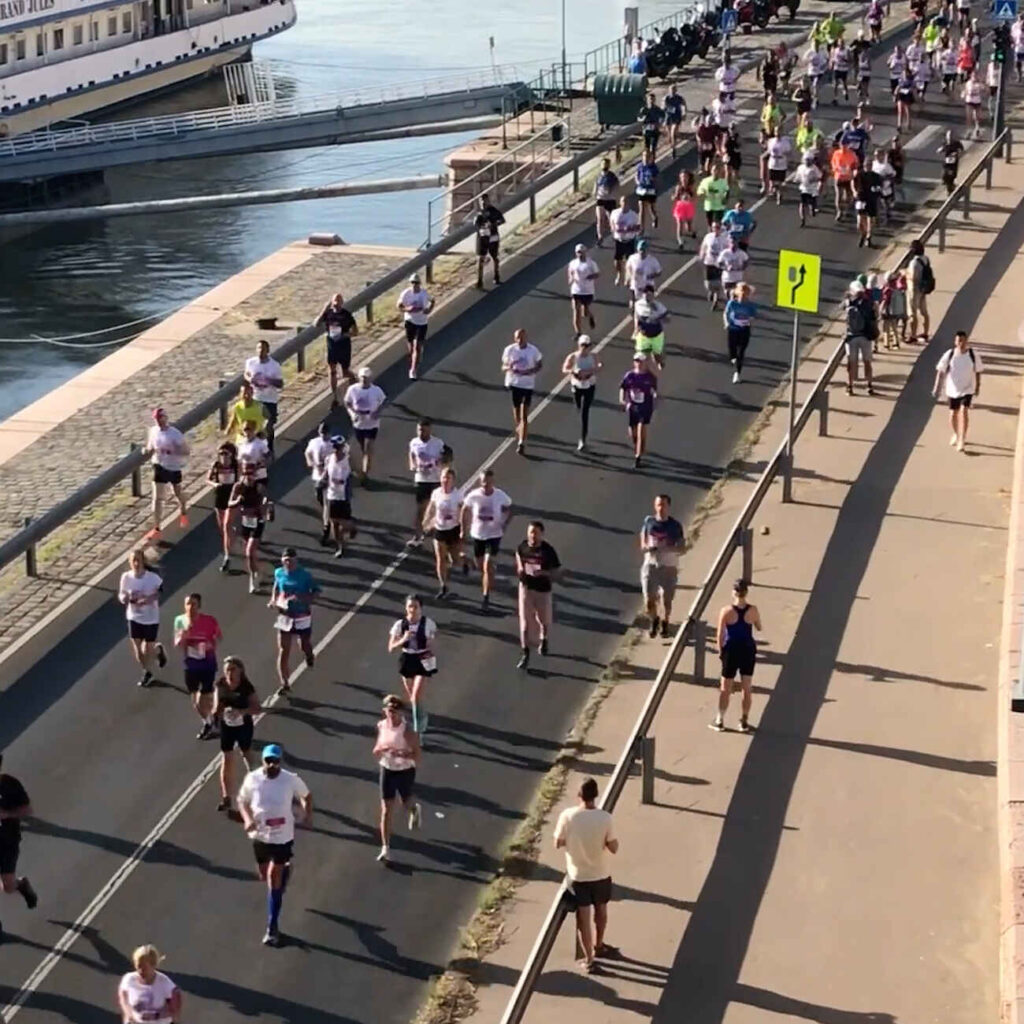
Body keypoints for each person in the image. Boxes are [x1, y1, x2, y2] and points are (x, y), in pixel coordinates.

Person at [237, 744, 312, 947]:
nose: (272, 765)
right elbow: (242, 800)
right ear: (263, 760)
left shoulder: (290, 779)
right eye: (268, 761)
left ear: (280, 761)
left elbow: (306, 795)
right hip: (260, 835)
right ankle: (285, 872)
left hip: (282, 837)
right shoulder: (252, 779)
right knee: (264, 875)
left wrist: (307, 814)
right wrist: (247, 819)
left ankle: (272, 927)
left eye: (275, 761)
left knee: (272, 877)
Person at [553, 778, 618, 974]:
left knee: (584, 918)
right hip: (601, 872)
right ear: (596, 795)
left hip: (578, 875)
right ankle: (599, 945)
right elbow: (614, 847)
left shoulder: (567, 816)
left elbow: (557, 843)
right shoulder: (605, 818)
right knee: (601, 911)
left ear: (579, 795)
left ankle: (589, 959)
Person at [373, 695, 422, 863]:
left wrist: (401, 754)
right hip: (387, 769)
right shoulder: (381, 726)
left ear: (400, 712)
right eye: (389, 711)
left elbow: (417, 756)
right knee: (386, 809)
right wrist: (381, 750)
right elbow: (377, 748)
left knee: (405, 801)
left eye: (394, 711)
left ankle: (414, 809)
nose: (391, 714)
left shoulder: (407, 731)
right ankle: (385, 848)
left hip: (405, 771)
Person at [710, 579, 762, 733]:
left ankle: (720, 720)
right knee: (747, 687)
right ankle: (744, 721)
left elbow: (720, 634)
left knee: (725, 687)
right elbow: (758, 627)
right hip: (747, 649)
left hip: (731, 650)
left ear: (734, 592)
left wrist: (720, 651)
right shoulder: (753, 610)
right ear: (746, 592)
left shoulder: (726, 611)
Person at [213, 656, 260, 812]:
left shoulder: (246, 687)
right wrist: (217, 712)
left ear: (240, 671)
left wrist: (242, 712)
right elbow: (216, 704)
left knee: (246, 753)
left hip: (243, 726)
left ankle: (258, 786)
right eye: (227, 670)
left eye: (233, 669)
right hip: (227, 726)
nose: (229, 673)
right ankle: (226, 797)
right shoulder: (221, 685)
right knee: (227, 758)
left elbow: (257, 708)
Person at [268, 548, 319, 693]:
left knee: (304, 645)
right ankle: (284, 682)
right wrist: (273, 599)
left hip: (302, 615)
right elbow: (277, 585)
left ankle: (309, 655)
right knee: (283, 650)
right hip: (285, 615)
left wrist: (302, 598)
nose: (288, 564)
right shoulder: (279, 573)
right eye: (286, 561)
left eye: (291, 561)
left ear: (296, 560)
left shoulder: (305, 576)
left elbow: (316, 592)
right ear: (282, 561)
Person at [173, 593, 222, 740]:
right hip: (190, 665)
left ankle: (212, 717)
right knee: (195, 701)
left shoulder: (209, 621)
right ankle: (209, 721)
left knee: (203, 696)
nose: (190, 607)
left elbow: (218, 637)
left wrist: (209, 645)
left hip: (207, 663)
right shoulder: (180, 620)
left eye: (193, 604)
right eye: (187, 604)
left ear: (199, 606)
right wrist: (183, 636)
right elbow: (177, 643)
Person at [462, 469, 512, 611]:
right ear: (480, 481)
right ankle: (469, 563)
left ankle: (485, 596)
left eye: (488, 482)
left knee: (487, 565)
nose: (486, 484)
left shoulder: (500, 495)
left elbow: (509, 508)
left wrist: (504, 523)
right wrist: (462, 529)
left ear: (492, 482)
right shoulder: (474, 495)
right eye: (484, 482)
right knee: (480, 564)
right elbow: (465, 509)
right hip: (478, 534)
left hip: (494, 535)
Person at [387, 594, 438, 733]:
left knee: (415, 696)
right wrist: (403, 639)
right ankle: (422, 716)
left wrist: (429, 643)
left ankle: (418, 730)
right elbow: (391, 648)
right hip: (407, 658)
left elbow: (433, 642)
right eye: (410, 606)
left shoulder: (428, 623)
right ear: (406, 608)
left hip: (422, 658)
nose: (413, 610)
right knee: (412, 697)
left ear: (421, 608)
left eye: (416, 607)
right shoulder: (400, 625)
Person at [0, 753, 37, 943]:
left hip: (7, 842)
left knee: (8, 886)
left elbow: (27, 810)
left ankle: (20, 885)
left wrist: (7, 814)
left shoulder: (9, 785)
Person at [515, 520, 562, 670]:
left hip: (543, 590)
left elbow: (557, 573)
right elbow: (518, 555)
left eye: (536, 533)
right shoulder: (523, 547)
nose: (532, 536)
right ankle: (525, 653)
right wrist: (520, 568)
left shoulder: (548, 551)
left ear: (542, 534)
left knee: (544, 620)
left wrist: (543, 573)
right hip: (526, 588)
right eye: (530, 532)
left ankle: (544, 638)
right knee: (524, 623)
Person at [118, 549, 166, 688]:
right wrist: (125, 598)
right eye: (133, 561)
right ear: (130, 562)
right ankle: (147, 672)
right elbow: (121, 594)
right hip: (133, 617)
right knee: (138, 649)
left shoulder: (152, 578)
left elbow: (160, 591)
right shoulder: (126, 577)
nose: (136, 563)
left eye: (138, 560)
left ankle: (157, 651)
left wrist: (149, 599)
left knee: (147, 650)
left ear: (143, 561)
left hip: (151, 618)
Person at [639, 493, 684, 638]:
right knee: (648, 600)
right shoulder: (649, 522)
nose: (661, 508)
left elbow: (682, 548)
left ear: (668, 506)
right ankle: (654, 619)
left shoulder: (675, 526)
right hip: (650, 565)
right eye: (658, 505)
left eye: (663, 505)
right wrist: (647, 547)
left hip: (668, 566)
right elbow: (643, 540)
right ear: (655, 506)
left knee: (666, 600)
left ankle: (665, 621)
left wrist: (666, 549)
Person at [144, 407, 189, 542]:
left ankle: (183, 507)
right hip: (159, 466)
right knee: (157, 498)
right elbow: (150, 447)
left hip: (173, 467)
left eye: (160, 418)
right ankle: (157, 528)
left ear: (166, 418)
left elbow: (186, 451)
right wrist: (146, 451)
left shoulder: (175, 434)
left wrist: (172, 451)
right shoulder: (153, 431)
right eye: (156, 419)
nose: (158, 421)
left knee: (177, 493)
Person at [934, 330, 983, 452]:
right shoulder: (950, 354)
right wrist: (937, 387)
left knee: (964, 411)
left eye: (963, 340)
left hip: (967, 389)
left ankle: (962, 439)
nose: (961, 343)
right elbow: (940, 371)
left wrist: (977, 386)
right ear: (955, 342)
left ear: (966, 341)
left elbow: (978, 371)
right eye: (958, 341)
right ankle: (956, 434)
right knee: (953, 415)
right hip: (952, 389)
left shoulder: (972, 354)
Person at [423, 467, 466, 598]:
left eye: (448, 478)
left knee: (455, 559)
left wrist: (464, 528)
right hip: (440, 529)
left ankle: (465, 562)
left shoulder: (457, 495)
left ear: (453, 480)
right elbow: (431, 507)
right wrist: (426, 520)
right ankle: (443, 585)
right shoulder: (436, 493)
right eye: (443, 477)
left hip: (453, 529)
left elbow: (463, 511)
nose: (445, 480)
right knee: (440, 558)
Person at [228, 464, 271, 591]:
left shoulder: (259, 487)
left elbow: (267, 501)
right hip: (245, 521)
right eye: (245, 474)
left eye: (251, 474)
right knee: (251, 554)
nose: (248, 477)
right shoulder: (238, 487)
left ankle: (252, 580)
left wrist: (266, 509)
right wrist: (237, 501)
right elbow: (229, 503)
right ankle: (258, 571)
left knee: (249, 551)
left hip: (257, 521)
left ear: (255, 475)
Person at [501, 328, 544, 455]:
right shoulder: (509, 350)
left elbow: (539, 364)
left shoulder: (533, 350)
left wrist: (531, 371)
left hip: (527, 385)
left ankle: (521, 443)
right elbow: (503, 366)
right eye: (518, 338)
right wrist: (509, 368)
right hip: (514, 383)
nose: (520, 340)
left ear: (526, 337)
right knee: (517, 415)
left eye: (522, 337)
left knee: (524, 414)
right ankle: (520, 430)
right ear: (515, 339)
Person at [408, 418, 448, 546]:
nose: (421, 433)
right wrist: (413, 465)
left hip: (435, 480)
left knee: (437, 508)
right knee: (420, 509)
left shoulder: (438, 443)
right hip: (421, 479)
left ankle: (439, 535)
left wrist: (439, 463)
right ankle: (417, 536)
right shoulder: (414, 442)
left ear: (430, 430)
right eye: (419, 430)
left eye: (424, 430)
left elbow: (447, 457)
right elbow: (412, 455)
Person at [343, 366, 386, 484]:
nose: (364, 380)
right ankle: (363, 466)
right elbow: (347, 403)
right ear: (359, 377)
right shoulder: (353, 389)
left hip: (372, 423)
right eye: (362, 377)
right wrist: (352, 414)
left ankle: (365, 474)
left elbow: (382, 402)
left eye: (366, 378)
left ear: (370, 378)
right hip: (359, 422)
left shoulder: (376, 390)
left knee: (368, 448)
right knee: (363, 447)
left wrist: (377, 412)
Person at [117, 945, 181, 1024]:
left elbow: (175, 1010)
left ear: (153, 965)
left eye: (144, 968)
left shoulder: (164, 983)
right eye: (138, 966)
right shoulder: (129, 979)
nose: (140, 971)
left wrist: (156, 1016)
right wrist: (128, 1014)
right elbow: (123, 996)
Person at [316, 292, 359, 407]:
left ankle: (354, 381)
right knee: (332, 370)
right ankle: (334, 397)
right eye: (334, 301)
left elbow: (355, 331)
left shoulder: (346, 315)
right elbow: (316, 324)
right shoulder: (328, 314)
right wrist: (323, 310)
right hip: (332, 345)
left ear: (342, 302)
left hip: (344, 346)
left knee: (345, 372)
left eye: (338, 301)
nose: (336, 303)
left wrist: (345, 335)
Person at [244, 339, 284, 454]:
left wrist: (268, 380)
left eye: (263, 348)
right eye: (259, 348)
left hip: (269, 400)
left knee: (268, 425)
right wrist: (250, 379)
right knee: (253, 425)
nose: (261, 351)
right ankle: (254, 448)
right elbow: (246, 373)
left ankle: (269, 447)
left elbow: (280, 384)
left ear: (268, 350)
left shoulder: (274, 365)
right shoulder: (251, 362)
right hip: (255, 398)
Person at [562, 335, 601, 451]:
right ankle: (582, 433)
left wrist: (589, 372)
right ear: (579, 345)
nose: (585, 348)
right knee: (579, 408)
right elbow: (564, 368)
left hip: (590, 385)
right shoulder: (573, 356)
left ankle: (582, 439)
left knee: (585, 412)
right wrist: (574, 371)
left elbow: (599, 366)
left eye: (587, 345)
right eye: (583, 345)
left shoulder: (593, 356)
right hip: (577, 386)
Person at [620, 353, 658, 470]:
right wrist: (622, 400)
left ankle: (638, 458)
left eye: (641, 361)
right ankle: (639, 445)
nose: (639, 364)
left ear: (645, 362)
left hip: (645, 407)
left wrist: (655, 397)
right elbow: (623, 387)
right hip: (633, 407)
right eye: (637, 361)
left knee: (641, 429)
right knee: (633, 433)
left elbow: (654, 390)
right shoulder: (630, 376)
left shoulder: (650, 377)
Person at [323, 435, 357, 558]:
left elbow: (355, 472)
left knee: (344, 522)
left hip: (343, 496)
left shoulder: (348, 460)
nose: (335, 450)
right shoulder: (329, 459)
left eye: (337, 447)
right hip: (332, 495)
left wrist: (350, 480)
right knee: (334, 523)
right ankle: (340, 547)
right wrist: (322, 480)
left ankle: (352, 528)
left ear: (342, 447)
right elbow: (326, 472)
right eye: (334, 447)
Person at [844, 281, 879, 395]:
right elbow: (875, 317)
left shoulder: (848, 302)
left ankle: (850, 386)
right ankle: (869, 385)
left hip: (851, 336)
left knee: (851, 362)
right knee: (867, 362)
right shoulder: (868, 303)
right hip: (865, 336)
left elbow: (843, 310)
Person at [396, 274, 434, 380]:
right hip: (410, 321)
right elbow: (399, 306)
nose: (414, 285)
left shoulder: (424, 293)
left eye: (416, 283)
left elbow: (432, 300)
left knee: (417, 347)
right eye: (412, 282)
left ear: (419, 283)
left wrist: (429, 309)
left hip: (422, 323)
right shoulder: (406, 293)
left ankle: (413, 370)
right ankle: (415, 358)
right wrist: (407, 309)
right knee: (411, 348)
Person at [208, 442, 238, 572]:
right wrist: (214, 484)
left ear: (231, 455)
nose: (223, 456)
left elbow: (241, 480)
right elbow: (207, 479)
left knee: (226, 526)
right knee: (222, 527)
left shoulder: (236, 465)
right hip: (220, 495)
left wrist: (238, 493)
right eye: (221, 454)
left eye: (226, 454)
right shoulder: (215, 465)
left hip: (232, 496)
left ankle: (227, 557)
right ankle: (232, 535)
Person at [304, 421, 334, 547]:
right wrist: (311, 463)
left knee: (326, 503)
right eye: (321, 433)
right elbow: (307, 453)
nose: (323, 436)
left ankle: (326, 528)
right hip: (317, 476)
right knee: (320, 499)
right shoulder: (314, 442)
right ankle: (329, 515)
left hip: (330, 478)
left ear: (329, 433)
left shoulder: (333, 444)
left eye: (325, 433)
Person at [723, 283, 758, 385]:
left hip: (744, 330)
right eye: (741, 294)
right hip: (733, 329)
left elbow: (753, 316)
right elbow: (725, 313)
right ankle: (733, 359)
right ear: (737, 294)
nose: (742, 297)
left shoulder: (750, 305)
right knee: (732, 350)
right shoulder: (732, 303)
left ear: (747, 295)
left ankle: (737, 373)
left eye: (745, 294)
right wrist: (726, 323)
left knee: (741, 352)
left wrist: (748, 321)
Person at [633, 285, 669, 371]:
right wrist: (636, 329)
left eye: (649, 294)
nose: (647, 296)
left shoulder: (659, 307)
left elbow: (668, 319)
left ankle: (660, 361)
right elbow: (636, 316)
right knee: (641, 356)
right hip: (643, 335)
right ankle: (644, 372)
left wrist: (658, 317)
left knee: (657, 356)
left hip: (656, 335)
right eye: (645, 294)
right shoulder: (638, 304)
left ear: (653, 295)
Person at [474, 192, 505, 288]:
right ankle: (479, 280)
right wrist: (478, 223)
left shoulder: (494, 211)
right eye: (481, 201)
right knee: (480, 258)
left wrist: (494, 224)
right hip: (482, 237)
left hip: (493, 237)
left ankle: (496, 275)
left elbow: (502, 220)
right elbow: (476, 225)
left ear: (488, 201)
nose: (483, 203)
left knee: (494, 257)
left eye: (485, 201)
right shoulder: (478, 213)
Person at [567, 243, 600, 334]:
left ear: (585, 252)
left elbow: (597, 274)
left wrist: (591, 276)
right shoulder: (573, 263)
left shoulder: (591, 263)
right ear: (576, 253)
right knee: (576, 311)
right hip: (576, 290)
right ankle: (578, 332)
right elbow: (570, 272)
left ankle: (590, 316)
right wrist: (571, 279)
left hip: (587, 291)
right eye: (578, 252)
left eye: (582, 252)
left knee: (584, 313)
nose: (580, 254)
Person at [609, 195, 641, 286]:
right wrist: (614, 229)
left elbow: (638, 227)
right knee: (617, 260)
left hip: (629, 240)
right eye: (623, 201)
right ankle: (619, 274)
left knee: (629, 260)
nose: (624, 204)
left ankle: (628, 277)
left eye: (626, 202)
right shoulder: (615, 213)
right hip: (619, 240)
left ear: (628, 204)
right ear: (620, 203)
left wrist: (630, 229)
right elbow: (611, 223)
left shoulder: (633, 215)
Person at [624, 238, 662, 311]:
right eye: (640, 250)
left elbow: (659, 272)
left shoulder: (652, 260)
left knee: (647, 301)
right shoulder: (633, 258)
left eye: (643, 250)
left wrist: (651, 276)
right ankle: (634, 314)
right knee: (634, 304)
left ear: (647, 250)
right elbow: (628, 267)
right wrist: (628, 278)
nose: (642, 252)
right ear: (637, 250)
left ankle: (649, 312)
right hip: (635, 284)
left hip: (648, 284)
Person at [907, 239, 933, 343]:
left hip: (914, 290)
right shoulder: (925, 259)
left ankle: (913, 335)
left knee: (912, 313)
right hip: (923, 289)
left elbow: (913, 278)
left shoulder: (914, 263)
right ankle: (925, 332)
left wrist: (906, 274)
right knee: (924, 312)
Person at [698, 221, 727, 309]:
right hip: (709, 262)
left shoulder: (724, 238)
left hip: (719, 263)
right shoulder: (708, 237)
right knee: (708, 283)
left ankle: (716, 301)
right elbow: (704, 247)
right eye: (714, 227)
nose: (716, 229)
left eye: (718, 227)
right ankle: (711, 291)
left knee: (718, 283)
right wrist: (701, 255)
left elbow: (727, 250)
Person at [853, 161, 881, 248]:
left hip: (871, 200)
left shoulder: (876, 176)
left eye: (870, 165)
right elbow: (853, 183)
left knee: (870, 220)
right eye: (866, 165)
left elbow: (879, 188)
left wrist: (877, 194)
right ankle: (863, 233)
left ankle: (869, 238)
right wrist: (854, 191)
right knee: (859, 222)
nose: (868, 167)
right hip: (861, 199)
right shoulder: (859, 175)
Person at [593, 158, 620, 246]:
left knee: (611, 219)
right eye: (603, 164)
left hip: (610, 200)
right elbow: (596, 186)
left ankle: (615, 234)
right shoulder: (598, 176)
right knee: (600, 219)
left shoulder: (612, 176)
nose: (604, 166)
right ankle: (600, 237)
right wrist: (594, 194)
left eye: (606, 164)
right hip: (600, 199)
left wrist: (613, 194)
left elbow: (617, 186)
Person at [879, 269, 908, 350]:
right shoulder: (897, 289)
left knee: (886, 328)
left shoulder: (887, 290)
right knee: (894, 327)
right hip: (895, 312)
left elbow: (884, 301)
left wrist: (880, 310)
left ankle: (887, 344)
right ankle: (896, 343)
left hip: (887, 312)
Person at [830, 139, 858, 221]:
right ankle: (839, 211)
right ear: (839, 145)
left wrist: (853, 171)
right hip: (839, 177)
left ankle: (846, 209)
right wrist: (836, 169)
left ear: (848, 145)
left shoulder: (852, 154)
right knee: (838, 195)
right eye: (842, 145)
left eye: (845, 145)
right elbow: (833, 162)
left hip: (848, 178)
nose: (843, 147)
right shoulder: (836, 153)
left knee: (848, 196)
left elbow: (856, 164)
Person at [237, 418, 270, 484]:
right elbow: (239, 462)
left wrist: (260, 462)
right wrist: (239, 476)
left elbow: (268, 457)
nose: (247, 432)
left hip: (259, 476)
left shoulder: (260, 443)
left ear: (254, 430)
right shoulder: (241, 444)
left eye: (249, 430)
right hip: (246, 477)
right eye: (245, 430)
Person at [696, 163, 729, 229]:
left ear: (720, 172)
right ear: (711, 171)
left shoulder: (723, 182)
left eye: (718, 170)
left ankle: (717, 233)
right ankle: (710, 233)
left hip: (719, 206)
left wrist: (725, 198)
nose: (716, 172)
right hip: (709, 206)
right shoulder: (705, 181)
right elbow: (700, 190)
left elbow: (727, 191)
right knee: (710, 224)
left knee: (717, 224)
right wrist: (702, 193)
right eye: (714, 170)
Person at [794, 152, 823, 227]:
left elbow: (820, 177)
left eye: (808, 160)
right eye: (806, 160)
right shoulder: (800, 167)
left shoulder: (814, 168)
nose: (807, 162)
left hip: (812, 189)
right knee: (802, 204)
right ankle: (802, 219)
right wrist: (797, 180)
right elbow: (797, 177)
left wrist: (813, 179)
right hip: (804, 189)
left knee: (811, 203)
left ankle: (812, 209)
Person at [717, 235, 749, 300]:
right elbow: (719, 263)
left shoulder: (741, 253)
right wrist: (726, 268)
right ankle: (730, 301)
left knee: (735, 295)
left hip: (737, 278)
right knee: (727, 293)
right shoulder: (725, 253)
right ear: (729, 244)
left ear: (737, 244)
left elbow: (746, 261)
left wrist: (742, 268)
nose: (733, 245)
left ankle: (733, 303)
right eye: (732, 243)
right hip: (727, 278)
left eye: (735, 243)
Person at [671, 170, 697, 252]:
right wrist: (675, 196)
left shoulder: (691, 188)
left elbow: (695, 197)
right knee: (679, 223)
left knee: (688, 227)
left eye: (685, 177)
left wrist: (689, 198)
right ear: (680, 178)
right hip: (680, 207)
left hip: (688, 207)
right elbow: (674, 198)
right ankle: (680, 241)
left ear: (688, 178)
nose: (684, 179)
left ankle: (692, 232)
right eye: (682, 177)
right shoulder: (678, 187)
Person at [634, 151, 659, 231]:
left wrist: (653, 180)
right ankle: (641, 227)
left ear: (650, 157)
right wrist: (638, 181)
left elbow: (657, 178)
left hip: (650, 190)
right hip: (642, 189)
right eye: (644, 156)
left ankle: (654, 217)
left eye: (648, 156)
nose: (646, 158)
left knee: (651, 207)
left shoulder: (653, 167)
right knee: (641, 207)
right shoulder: (640, 166)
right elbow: (636, 175)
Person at [639, 90, 665, 158]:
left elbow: (663, 116)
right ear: (647, 100)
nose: (651, 101)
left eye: (653, 99)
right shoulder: (644, 109)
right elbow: (639, 118)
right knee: (646, 148)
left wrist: (660, 124)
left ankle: (653, 160)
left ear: (654, 100)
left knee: (653, 147)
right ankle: (647, 160)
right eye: (650, 99)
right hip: (646, 131)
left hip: (655, 130)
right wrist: (643, 120)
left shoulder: (657, 109)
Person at [938, 129, 964, 195]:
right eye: (948, 136)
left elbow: (962, 150)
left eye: (951, 136)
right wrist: (940, 150)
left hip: (954, 162)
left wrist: (957, 153)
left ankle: (951, 189)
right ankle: (945, 180)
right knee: (945, 174)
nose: (950, 138)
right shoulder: (945, 143)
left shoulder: (957, 143)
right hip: (947, 162)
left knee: (952, 176)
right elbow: (940, 149)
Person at [664, 84, 687, 155]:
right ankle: (671, 143)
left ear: (676, 90)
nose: (672, 91)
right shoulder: (666, 98)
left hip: (676, 117)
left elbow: (684, 104)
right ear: (669, 90)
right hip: (668, 117)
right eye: (671, 90)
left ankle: (673, 149)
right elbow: (663, 107)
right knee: (669, 133)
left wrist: (684, 113)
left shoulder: (679, 98)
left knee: (673, 133)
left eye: (674, 89)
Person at [962, 69, 983, 137]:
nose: (975, 77)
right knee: (969, 117)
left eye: (976, 76)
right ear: (971, 76)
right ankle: (969, 131)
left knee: (977, 117)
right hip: (969, 101)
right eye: (973, 76)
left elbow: (985, 90)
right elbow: (965, 90)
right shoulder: (968, 83)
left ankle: (977, 128)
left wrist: (983, 87)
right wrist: (963, 94)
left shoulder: (979, 84)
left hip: (977, 101)